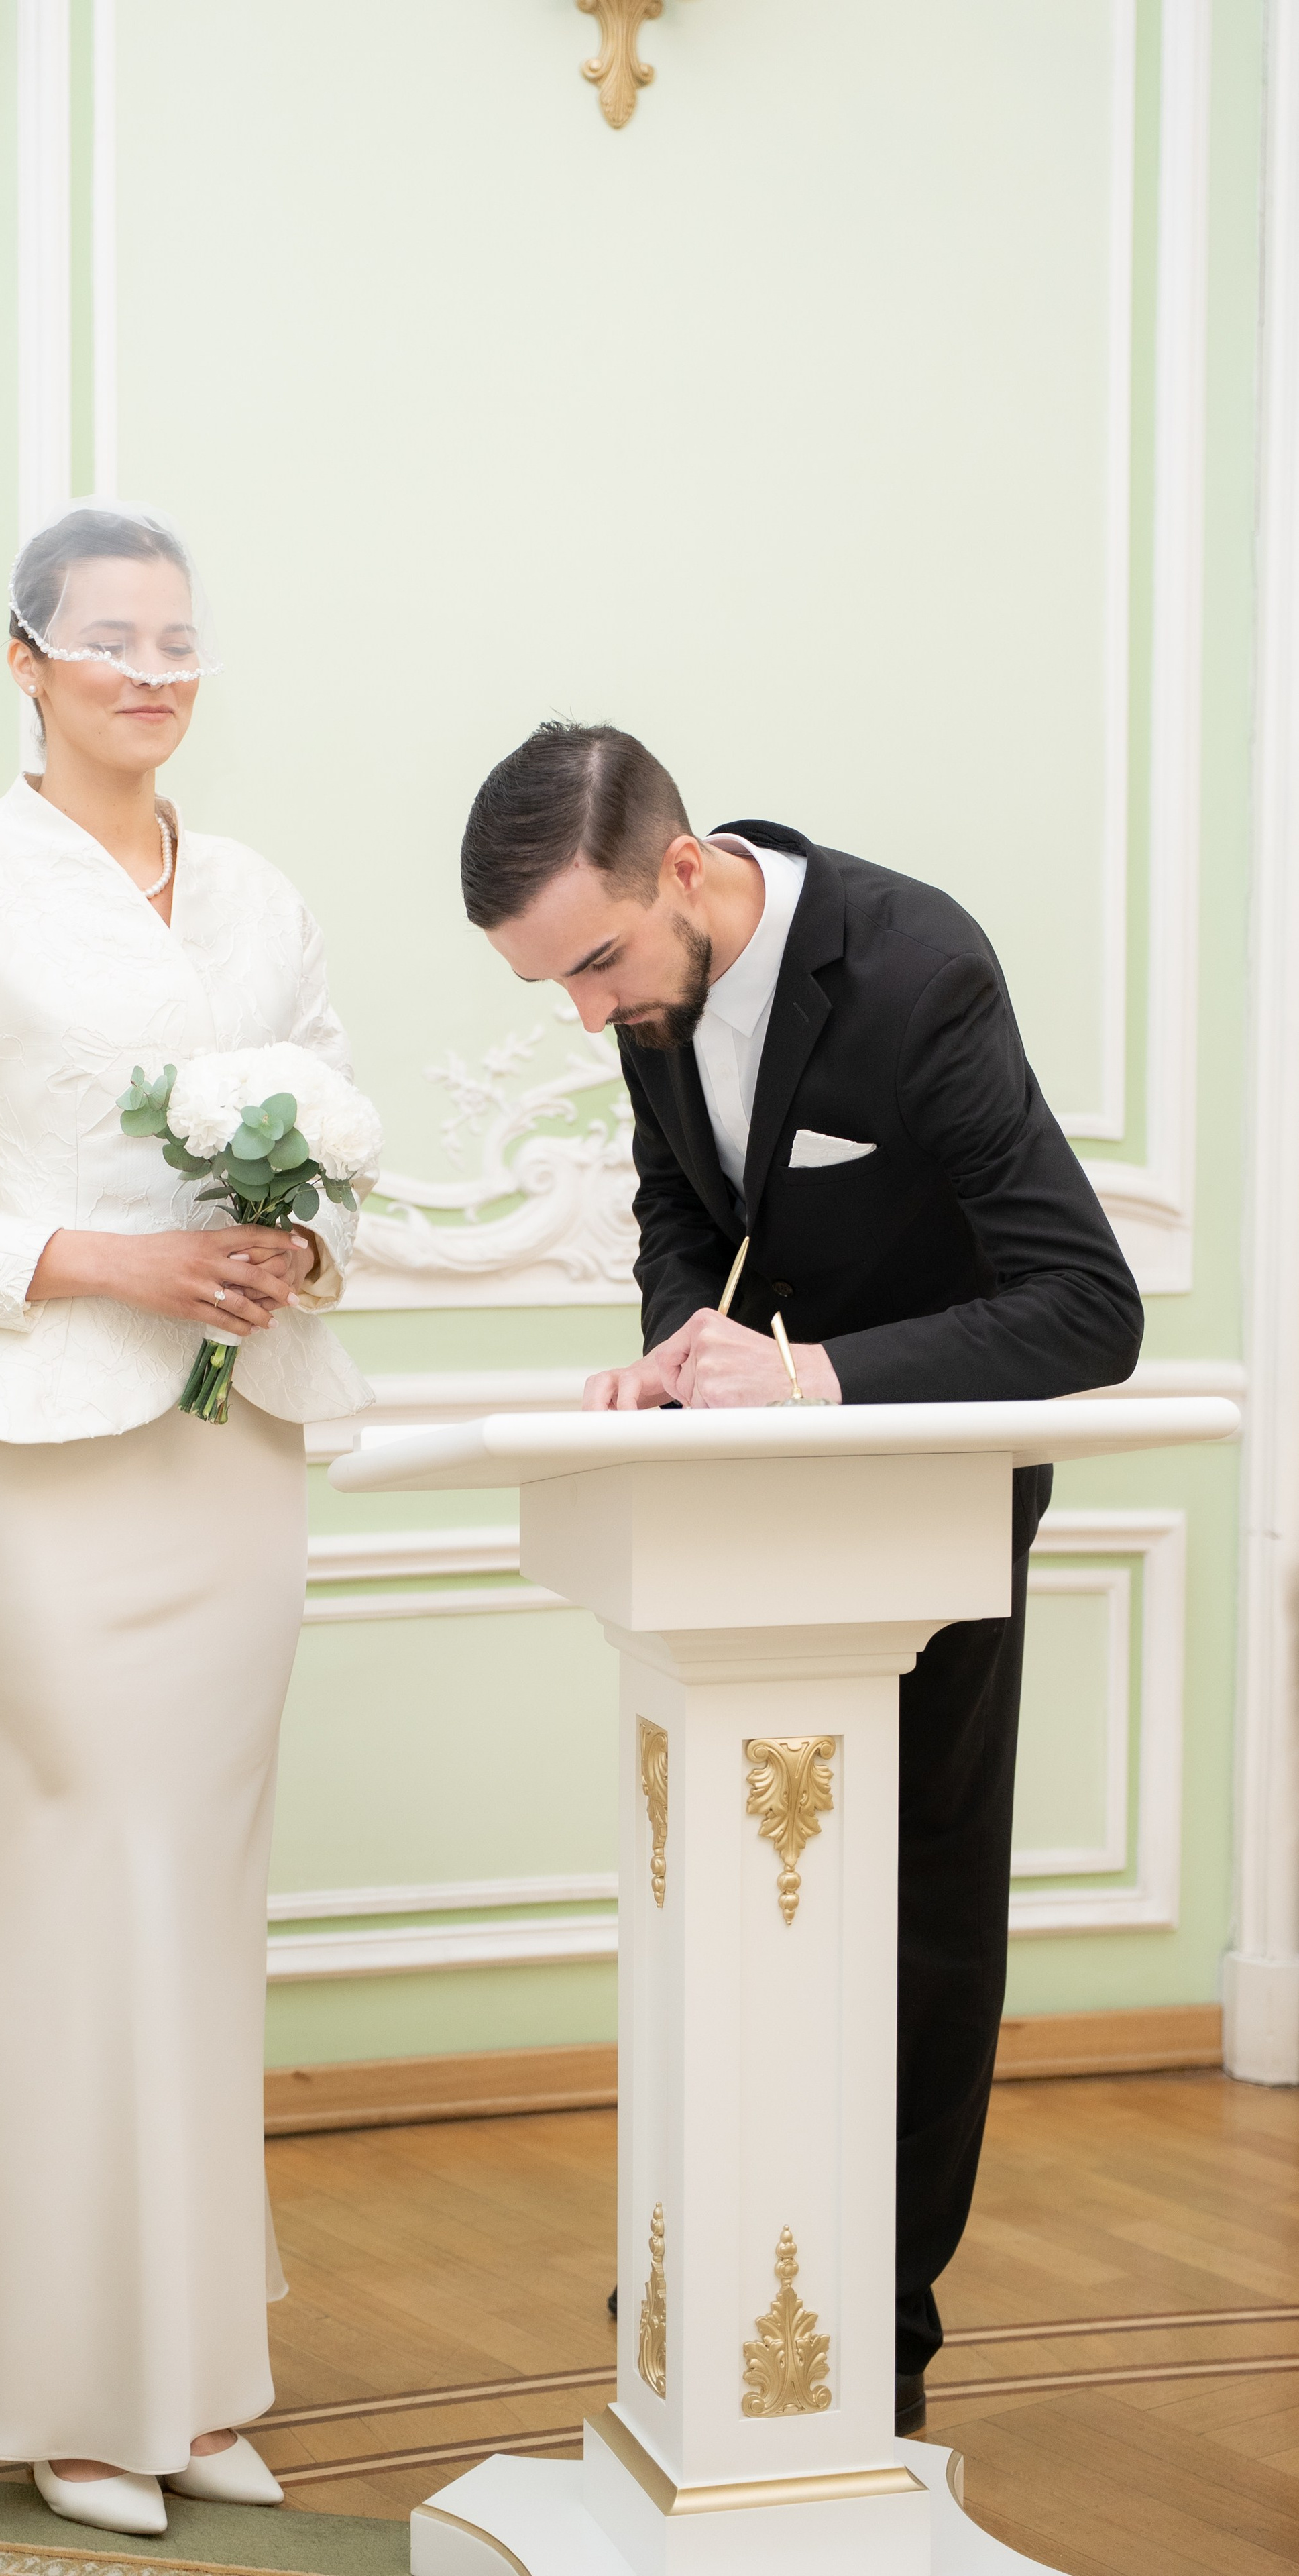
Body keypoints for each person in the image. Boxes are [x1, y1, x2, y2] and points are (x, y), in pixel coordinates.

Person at [0, 502, 372, 2536]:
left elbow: (333, 1148)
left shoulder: (265, 901)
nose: (153, 668)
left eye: (182, 640)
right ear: (25, 662)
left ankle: (200, 2378)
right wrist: (101, 1270)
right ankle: (67, 2394)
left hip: (231, 1470)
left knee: (199, 1918)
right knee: (70, 1920)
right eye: (110, 638)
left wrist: (293, 1257)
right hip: (45, 1483)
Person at [457, 720, 1143, 2432]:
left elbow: (1086, 1308)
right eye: (554, 987)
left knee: (911, 1921)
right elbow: (682, 1212)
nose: (589, 1014)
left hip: (928, 1497)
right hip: (754, 1516)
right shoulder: (652, 993)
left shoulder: (916, 968)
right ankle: (707, 2310)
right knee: (734, 1909)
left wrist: (814, 1378)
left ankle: (868, 2353)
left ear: (684, 871)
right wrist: (677, 1340)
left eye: (597, 965)